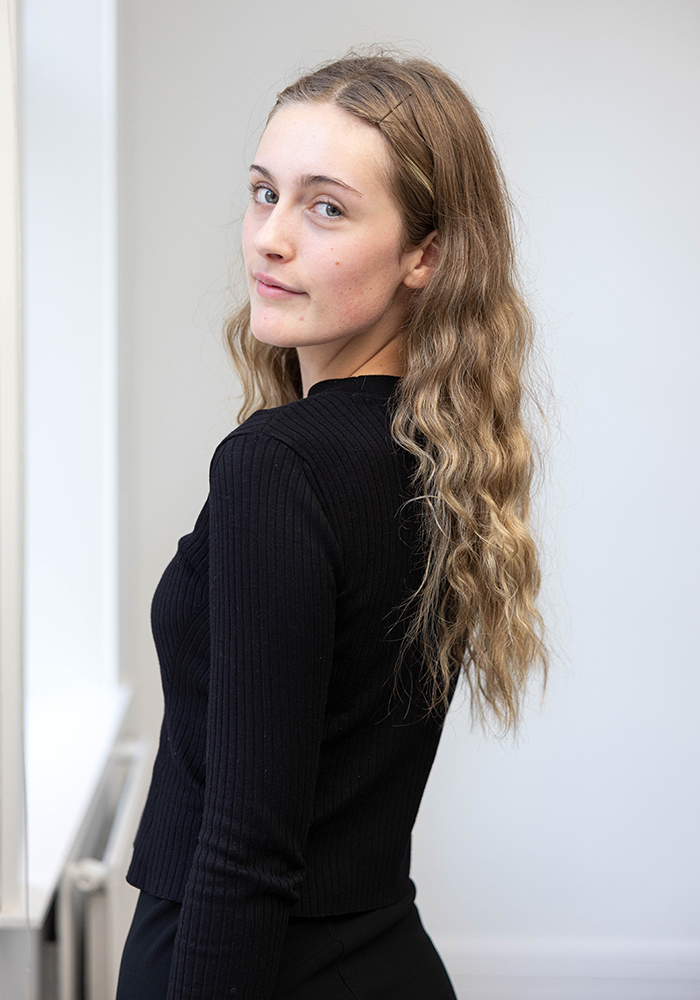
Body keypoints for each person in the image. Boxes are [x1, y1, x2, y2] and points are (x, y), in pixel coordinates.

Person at [116, 50, 547, 1000]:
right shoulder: (444, 455)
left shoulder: (277, 465)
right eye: (263, 193)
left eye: (326, 208)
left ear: (426, 254)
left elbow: (247, 847)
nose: (270, 238)